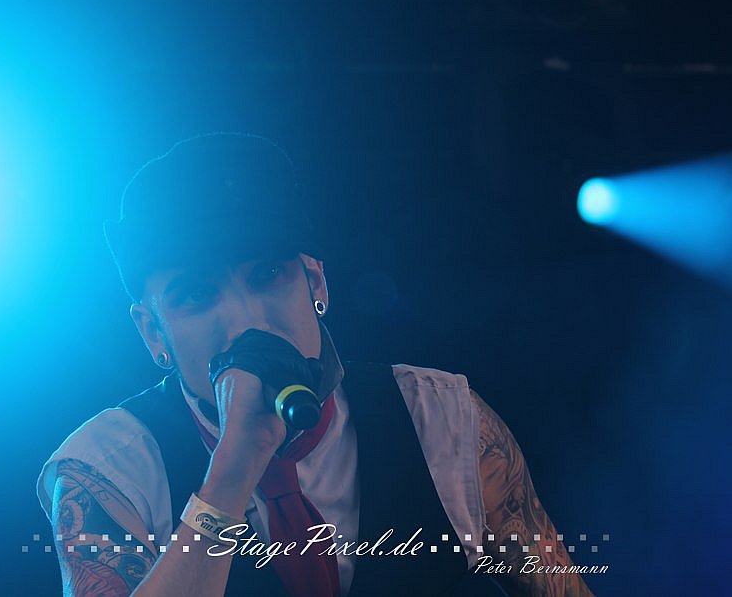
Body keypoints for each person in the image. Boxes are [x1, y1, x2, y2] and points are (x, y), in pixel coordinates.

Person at [37, 132, 595, 597]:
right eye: (197, 295)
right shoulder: (106, 470)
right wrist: (232, 470)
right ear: (153, 333)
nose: (246, 324)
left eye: (267, 275)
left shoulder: (442, 419)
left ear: (316, 282)